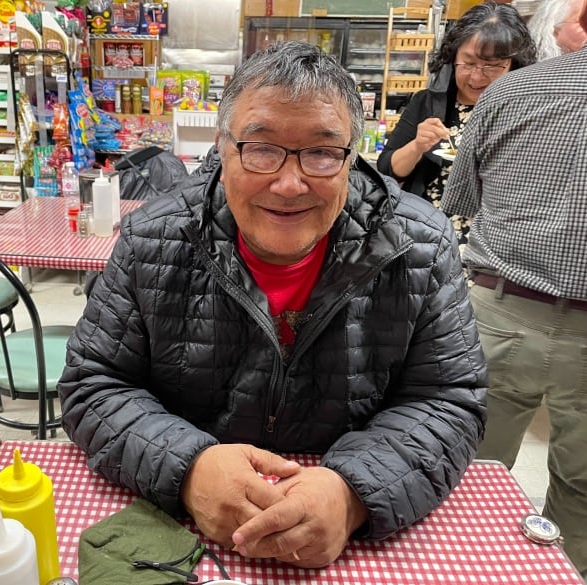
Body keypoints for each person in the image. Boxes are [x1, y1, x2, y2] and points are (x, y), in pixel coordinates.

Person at [59, 41, 487, 569]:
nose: (288, 183)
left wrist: (354, 492)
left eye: (322, 152)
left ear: (352, 159)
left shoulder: (419, 245)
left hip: (345, 542)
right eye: (260, 149)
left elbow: (449, 400)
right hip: (184, 537)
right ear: (222, 147)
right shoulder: (155, 237)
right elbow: (93, 383)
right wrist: (188, 466)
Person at [441, 2, 587, 577]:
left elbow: (460, 203)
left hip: (500, 310)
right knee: (582, 491)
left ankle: (464, 572)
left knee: (470, 474)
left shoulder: (510, 95)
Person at [376, 2, 536, 249]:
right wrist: (418, 146)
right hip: (426, 235)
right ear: (453, 57)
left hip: (492, 244)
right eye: (468, 63)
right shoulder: (428, 103)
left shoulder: (526, 111)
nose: (477, 76)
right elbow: (388, 169)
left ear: (513, 64)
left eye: (492, 65)